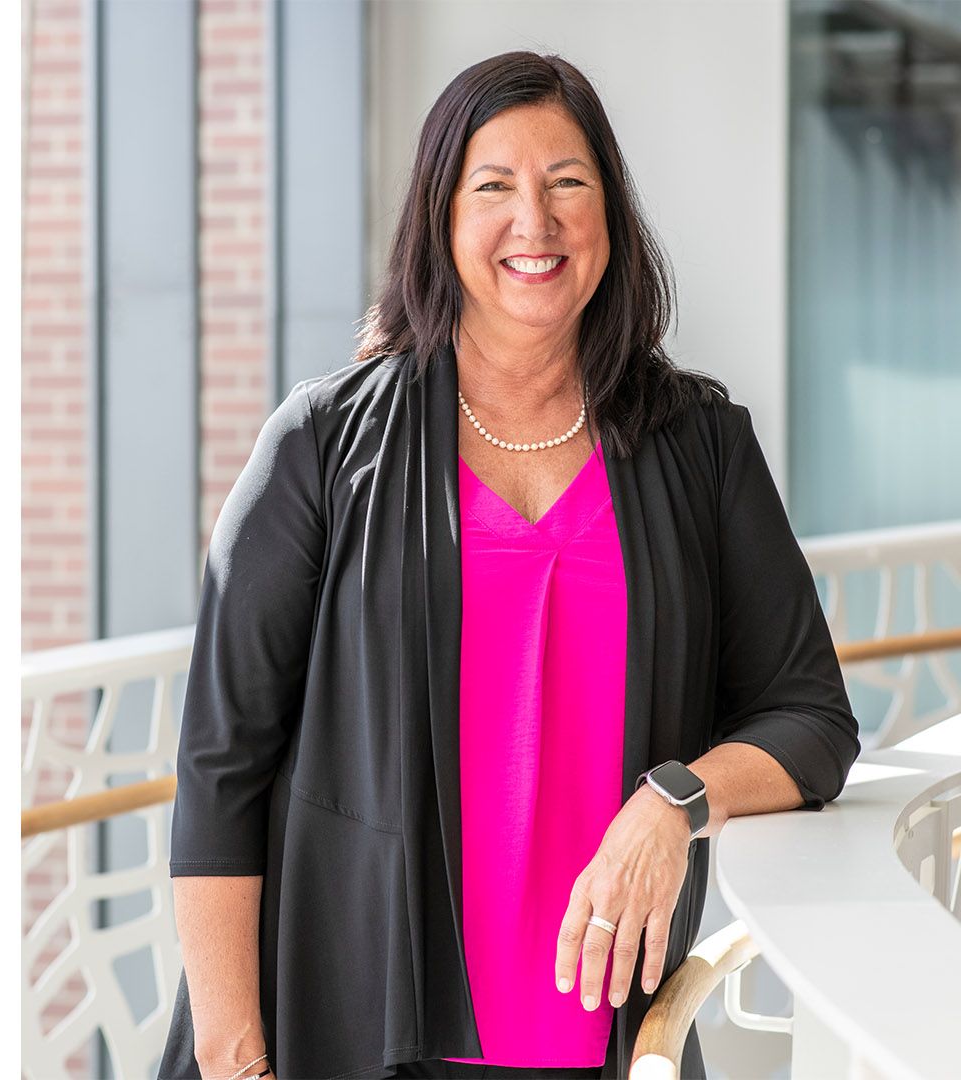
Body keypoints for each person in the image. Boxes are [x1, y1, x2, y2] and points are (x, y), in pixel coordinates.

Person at [161, 51, 860, 1080]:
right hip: (351, 1035)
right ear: (440, 224)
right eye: (492, 187)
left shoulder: (701, 446)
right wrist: (232, 1055)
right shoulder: (321, 447)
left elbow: (810, 719)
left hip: (612, 1038)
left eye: (567, 183)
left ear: (609, 219)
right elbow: (221, 768)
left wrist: (673, 804)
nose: (534, 221)